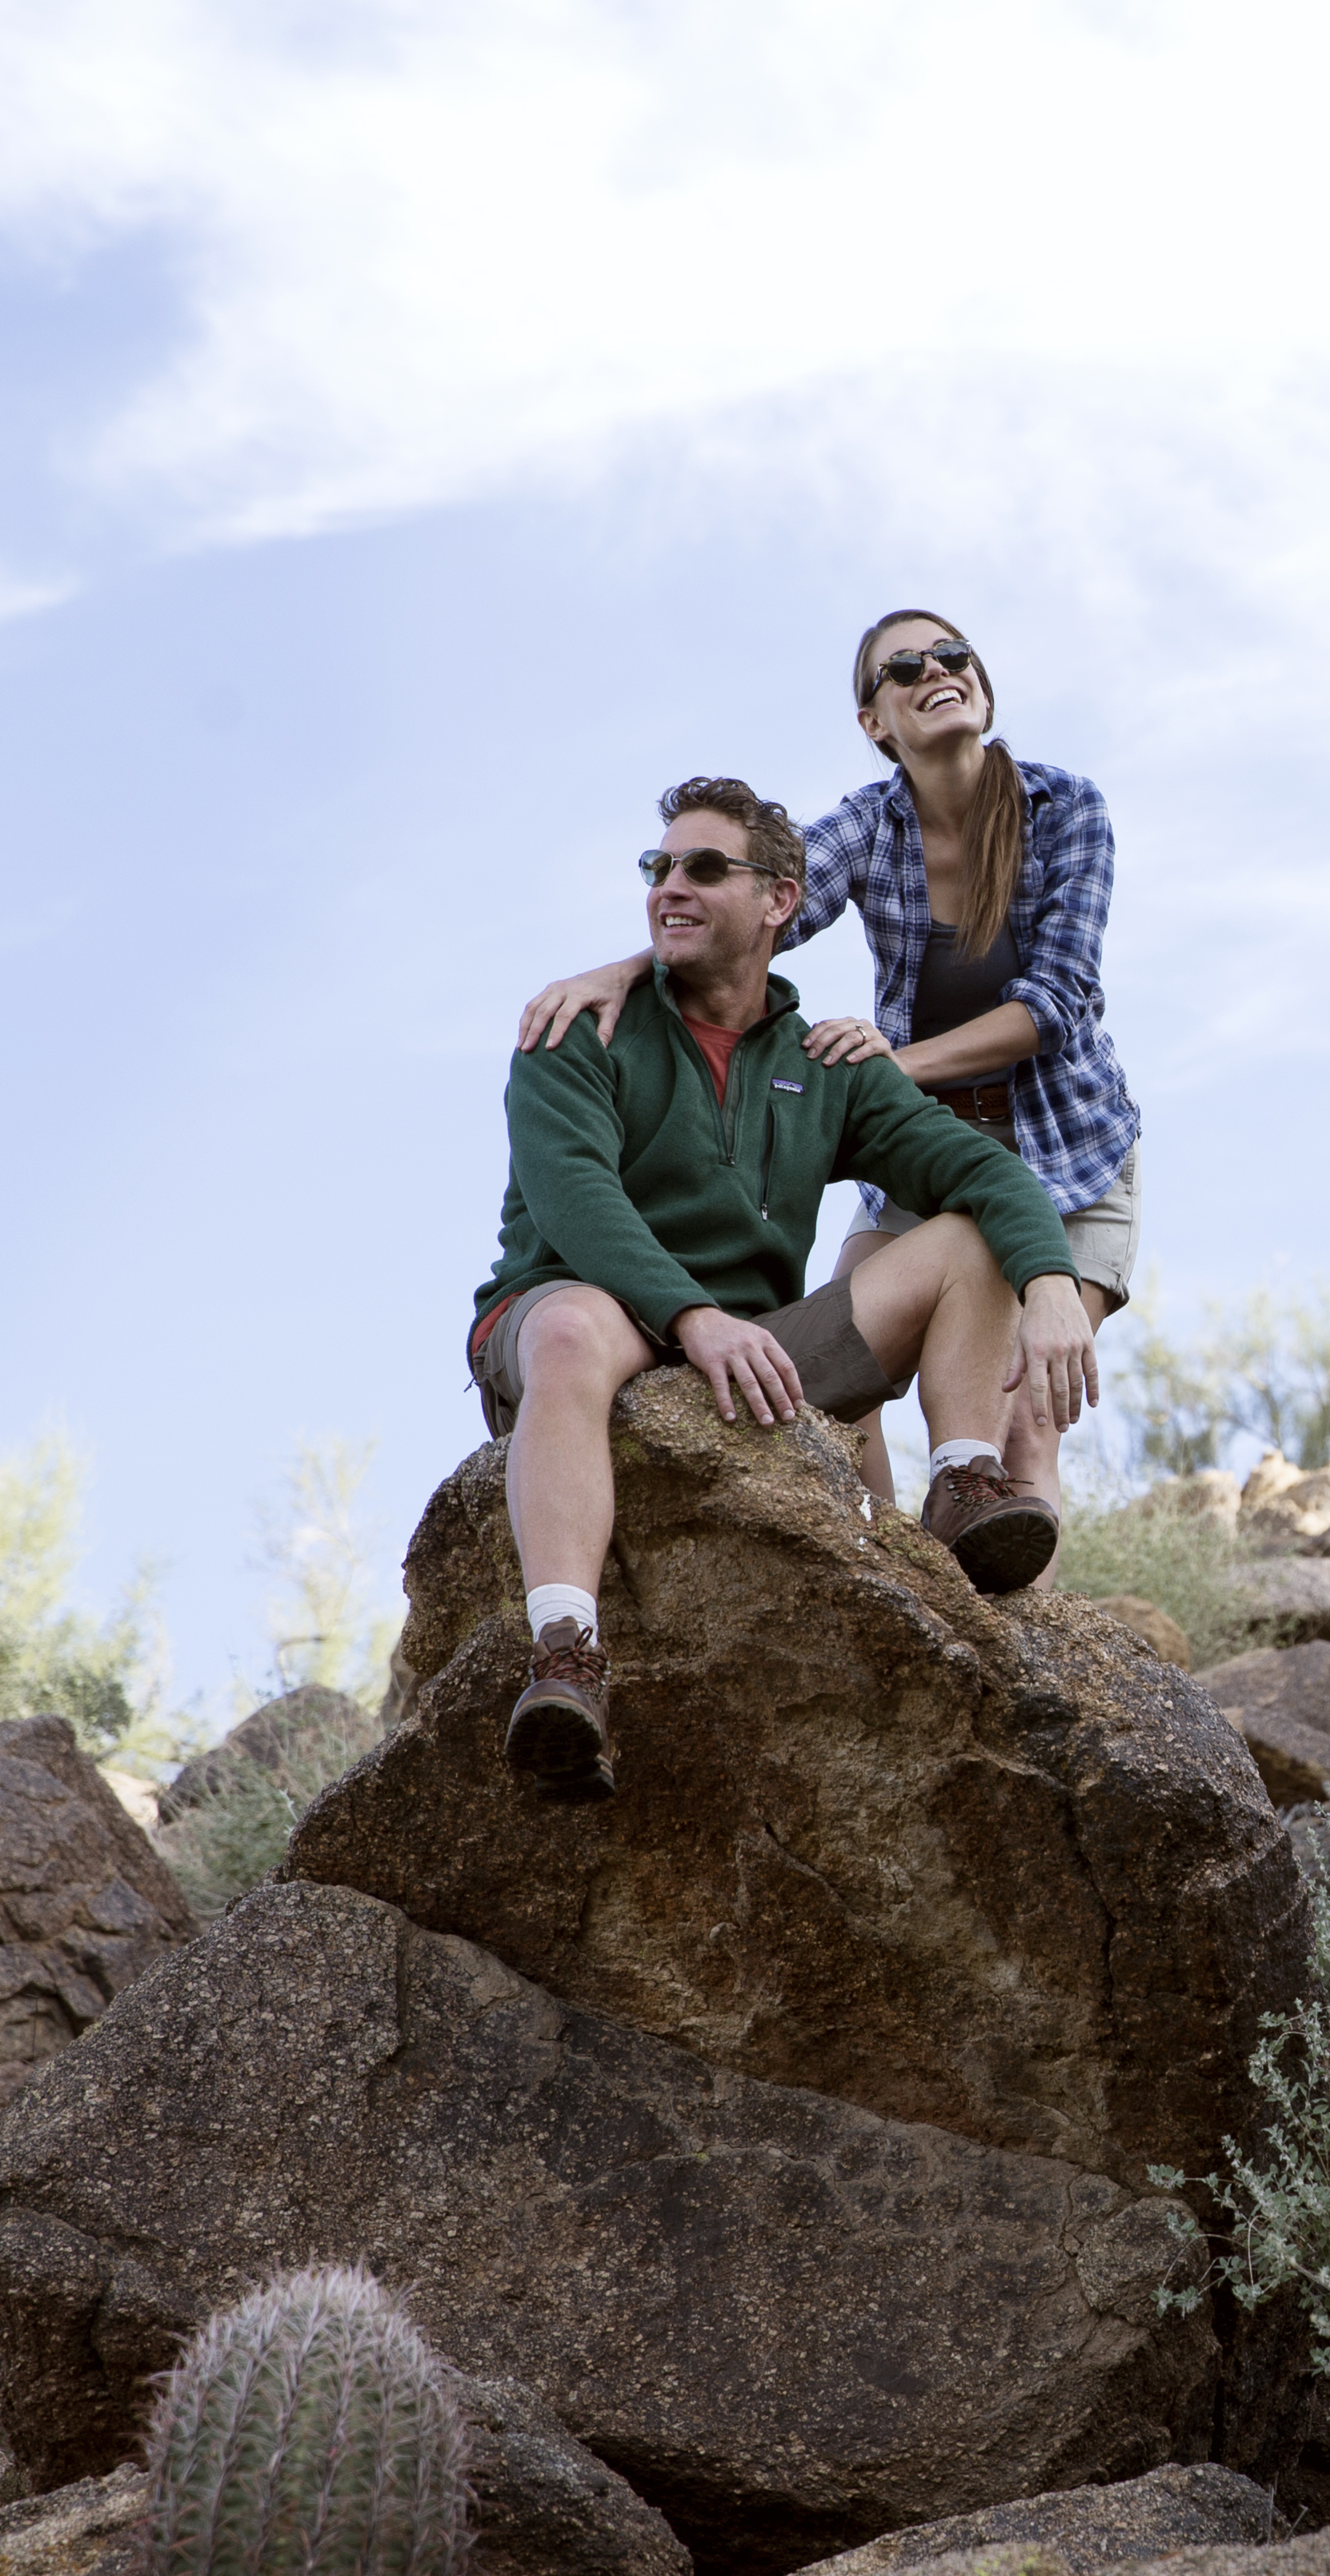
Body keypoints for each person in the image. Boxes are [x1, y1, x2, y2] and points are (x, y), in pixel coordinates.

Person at [473, 775, 1099, 1803]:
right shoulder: (576, 1026)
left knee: (970, 1237)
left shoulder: (828, 1064)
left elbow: (984, 1173)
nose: (670, 887)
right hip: (573, 1311)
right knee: (579, 1328)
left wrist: (1052, 1281)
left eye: (704, 868)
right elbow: (574, 1199)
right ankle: (567, 1659)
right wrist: (692, 1315)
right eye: (659, 867)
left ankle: (964, 1479)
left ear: (781, 900)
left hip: (751, 1350)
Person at [517, 611, 1136, 1528]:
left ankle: (1013, 1627)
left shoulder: (1066, 808)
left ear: (984, 685)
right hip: (923, 1143)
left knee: (1025, 1421)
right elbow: (753, 912)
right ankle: (894, 1574)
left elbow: (1054, 1004)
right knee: (849, 1389)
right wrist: (631, 965)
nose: (937, 670)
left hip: (1069, 1153)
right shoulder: (867, 827)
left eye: (954, 655)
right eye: (905, 667)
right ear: (874, 721)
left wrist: (891, 1064)